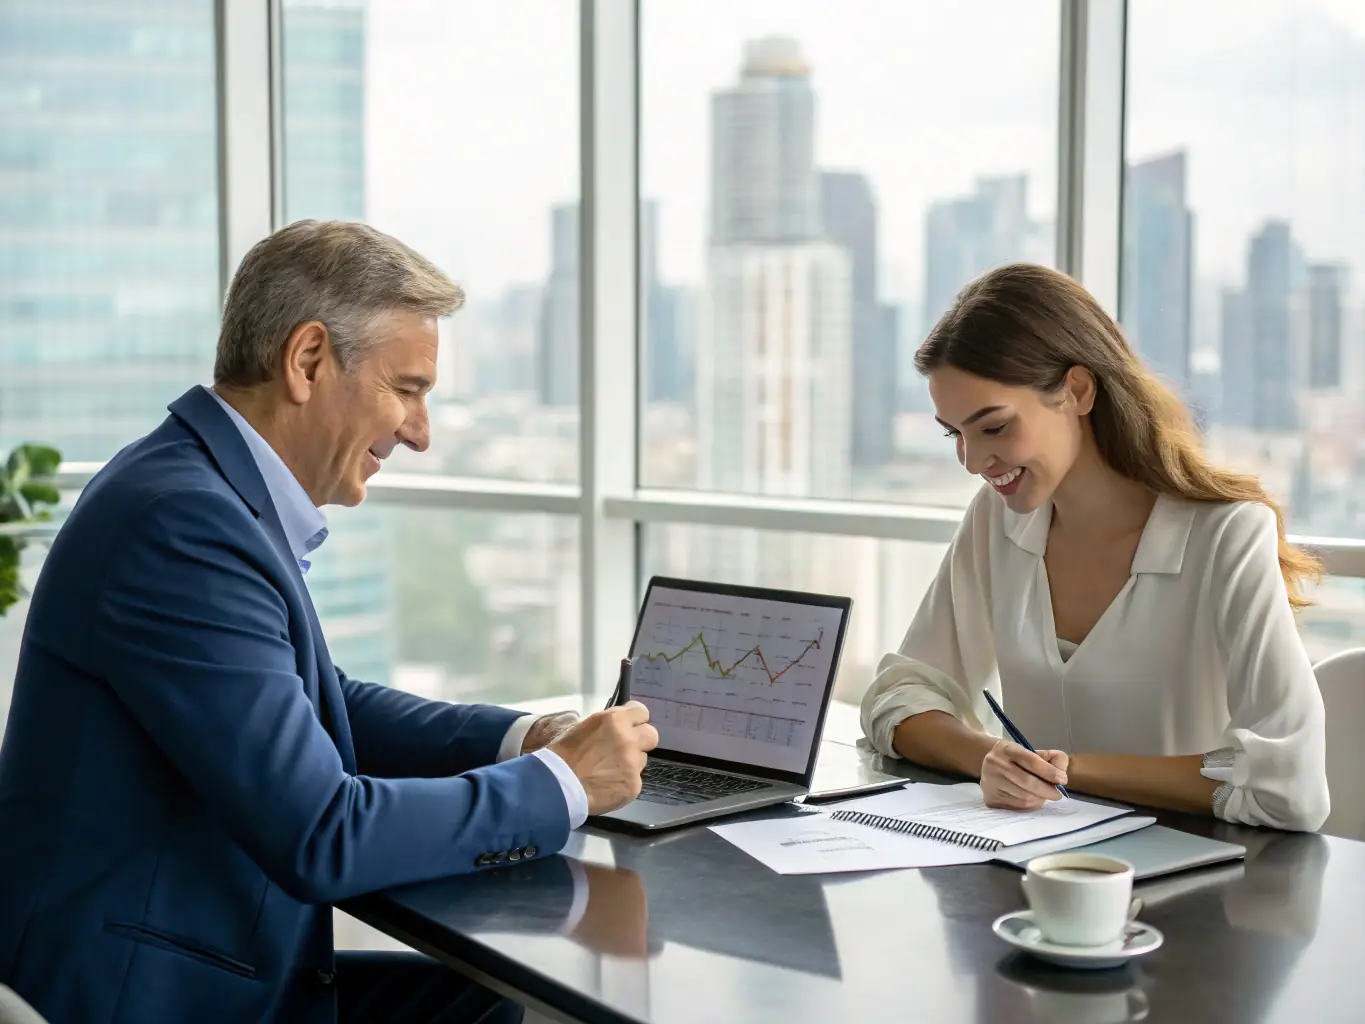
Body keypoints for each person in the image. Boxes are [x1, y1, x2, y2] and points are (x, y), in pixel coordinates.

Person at [0, 220, 658, 1024]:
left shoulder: (198, 488)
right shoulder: (182, 525)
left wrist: (520, 740)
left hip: (204, 962)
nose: (419, 433)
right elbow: (322, 834)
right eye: (407, 389)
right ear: (307, 360)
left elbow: (323, 700)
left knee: (492, 1002)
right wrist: (561, 785)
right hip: (144, 996)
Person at [860, 263, 1329, 832]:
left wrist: (1069, 772)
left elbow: (1289, 783)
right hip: (1034, 873)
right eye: (953, 433)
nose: (972, 461)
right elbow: (899, 697)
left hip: (1199, 885)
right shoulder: (996, 521)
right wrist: (988, 758)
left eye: (994, 427)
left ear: (1077, 391)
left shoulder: (1228, 537)